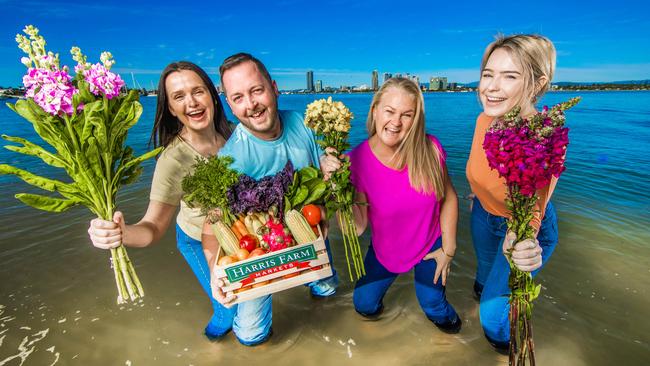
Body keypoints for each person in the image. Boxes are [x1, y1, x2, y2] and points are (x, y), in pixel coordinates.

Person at [86, 61, 236, 339]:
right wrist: (121, 234)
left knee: (250, 294)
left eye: (198, 91)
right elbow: (153, 228)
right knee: (228, 307)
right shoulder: (173, 159)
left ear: (212, 95)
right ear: (170, 108)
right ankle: (213, 346)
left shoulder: (233, 133)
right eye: (179, 96)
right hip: (196, 240)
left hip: (234, 235)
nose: (191, 102)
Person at [205, 53, 339, 346]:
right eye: (238, 97)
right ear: (229, 104)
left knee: (328, 292)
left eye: (256, 90)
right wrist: (217, 273)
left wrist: (331, 175)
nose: (251, 104)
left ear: (274, 88)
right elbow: (213, 222)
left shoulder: (305, 124)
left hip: (308, 231)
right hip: (258, 251)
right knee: (251, 336)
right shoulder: (230, 159)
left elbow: (323, 181)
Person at [324, 77, 462, 332]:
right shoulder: (353, 163)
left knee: (433, 305)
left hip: (430, 243)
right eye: (389, 111)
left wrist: (449, 249)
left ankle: (456, 337)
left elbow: (449, 197)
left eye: (406, 115)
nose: (396, 122)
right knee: (363, 305)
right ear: (375, 110)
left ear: (416, 119)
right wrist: (335, 188)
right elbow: (356, 229)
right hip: (386, 250)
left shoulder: (430, 149)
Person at [465, 34, 559, 351]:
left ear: (536, 83)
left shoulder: (543, 137)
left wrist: (524, 242)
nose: (491, 87)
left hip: (520, 228)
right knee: (482, 279)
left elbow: (535, 207)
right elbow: (479, 167)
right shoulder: (484, 119)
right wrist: (478, 192)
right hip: (483, 213)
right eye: (488, 74)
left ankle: (505, 347)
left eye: (510, 76)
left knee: (491, 319)